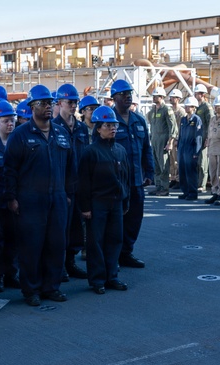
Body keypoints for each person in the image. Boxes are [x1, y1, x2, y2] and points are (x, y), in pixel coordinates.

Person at [2, 84, 76, 305]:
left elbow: (71, 167)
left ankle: (51, 287)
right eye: (42, 103)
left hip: (58, 199)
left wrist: (68, 193)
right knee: (31, 247)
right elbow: (9, 169)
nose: (47, 107)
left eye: (49, 103)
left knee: (56, 245)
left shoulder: (61, 133)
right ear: (32, 107)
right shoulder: (20, 135)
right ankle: (31, 290)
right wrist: (11, 198)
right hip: (30, 201)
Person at [77, 105, 130, 294]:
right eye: (108, 125)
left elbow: (125, 178)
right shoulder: (90, 152)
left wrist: (125, 201)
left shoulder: (120, 150)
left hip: (116, 203)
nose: (113, 128)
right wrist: (85, 207)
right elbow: (83, 181)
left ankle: (112, 277)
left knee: (115, 240)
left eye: (114, 125)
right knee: (96, 243)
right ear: (98, 128)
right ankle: (97, 280)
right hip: (97, 203)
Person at [110, 79, 154, 269]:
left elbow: (147, 149)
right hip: (117, 182)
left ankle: (126, 253)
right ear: (114, 97)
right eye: (123, 94)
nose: (128, 97)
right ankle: (113, 256)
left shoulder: (139, 120)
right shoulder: (107, 119)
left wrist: (149, 171)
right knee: (115, 221)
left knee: (135, 219)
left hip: (136, 180)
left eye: (129, 94)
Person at [53, 83, 90, 281]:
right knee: (61, 229)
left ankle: (70, 262)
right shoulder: (53, 127)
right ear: (60, 103)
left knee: (76, 227)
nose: (74, 106)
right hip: (62, 187)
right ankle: (59, 266)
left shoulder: (82, 128)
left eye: (75, 102)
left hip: (80, 185)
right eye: (70, 102)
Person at [0, 101, 20, 292]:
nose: (10, 124)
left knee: (13, 238)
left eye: (12, 120)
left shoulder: (19, 142)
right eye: (6, 120)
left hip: (14, 200)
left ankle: (11, 273)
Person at [146, 87, 177, 197]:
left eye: (156, 96)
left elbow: (173, 126)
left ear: (162, 97)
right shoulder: (153, 111)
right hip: (154, 140)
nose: (154, 98)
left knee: (163, 165)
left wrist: (170, 142)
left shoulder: (166, 110)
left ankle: (164, 188)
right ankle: (158, 186)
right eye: (153, 96)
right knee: (156, 165)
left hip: (163, 140)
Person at [176, 97, 203, 201]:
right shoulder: (183, 119)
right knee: (182, 171)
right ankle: (185, 191)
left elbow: (198, 137)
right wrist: (178, 147)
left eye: (189, 106)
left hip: (191, 148)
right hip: (182, 148)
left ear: (194, 107)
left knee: (190, 172)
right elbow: (180, 135)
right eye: (186, 106)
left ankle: (192, 193)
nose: (186, 108)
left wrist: (196, 152)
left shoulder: (196, 119)